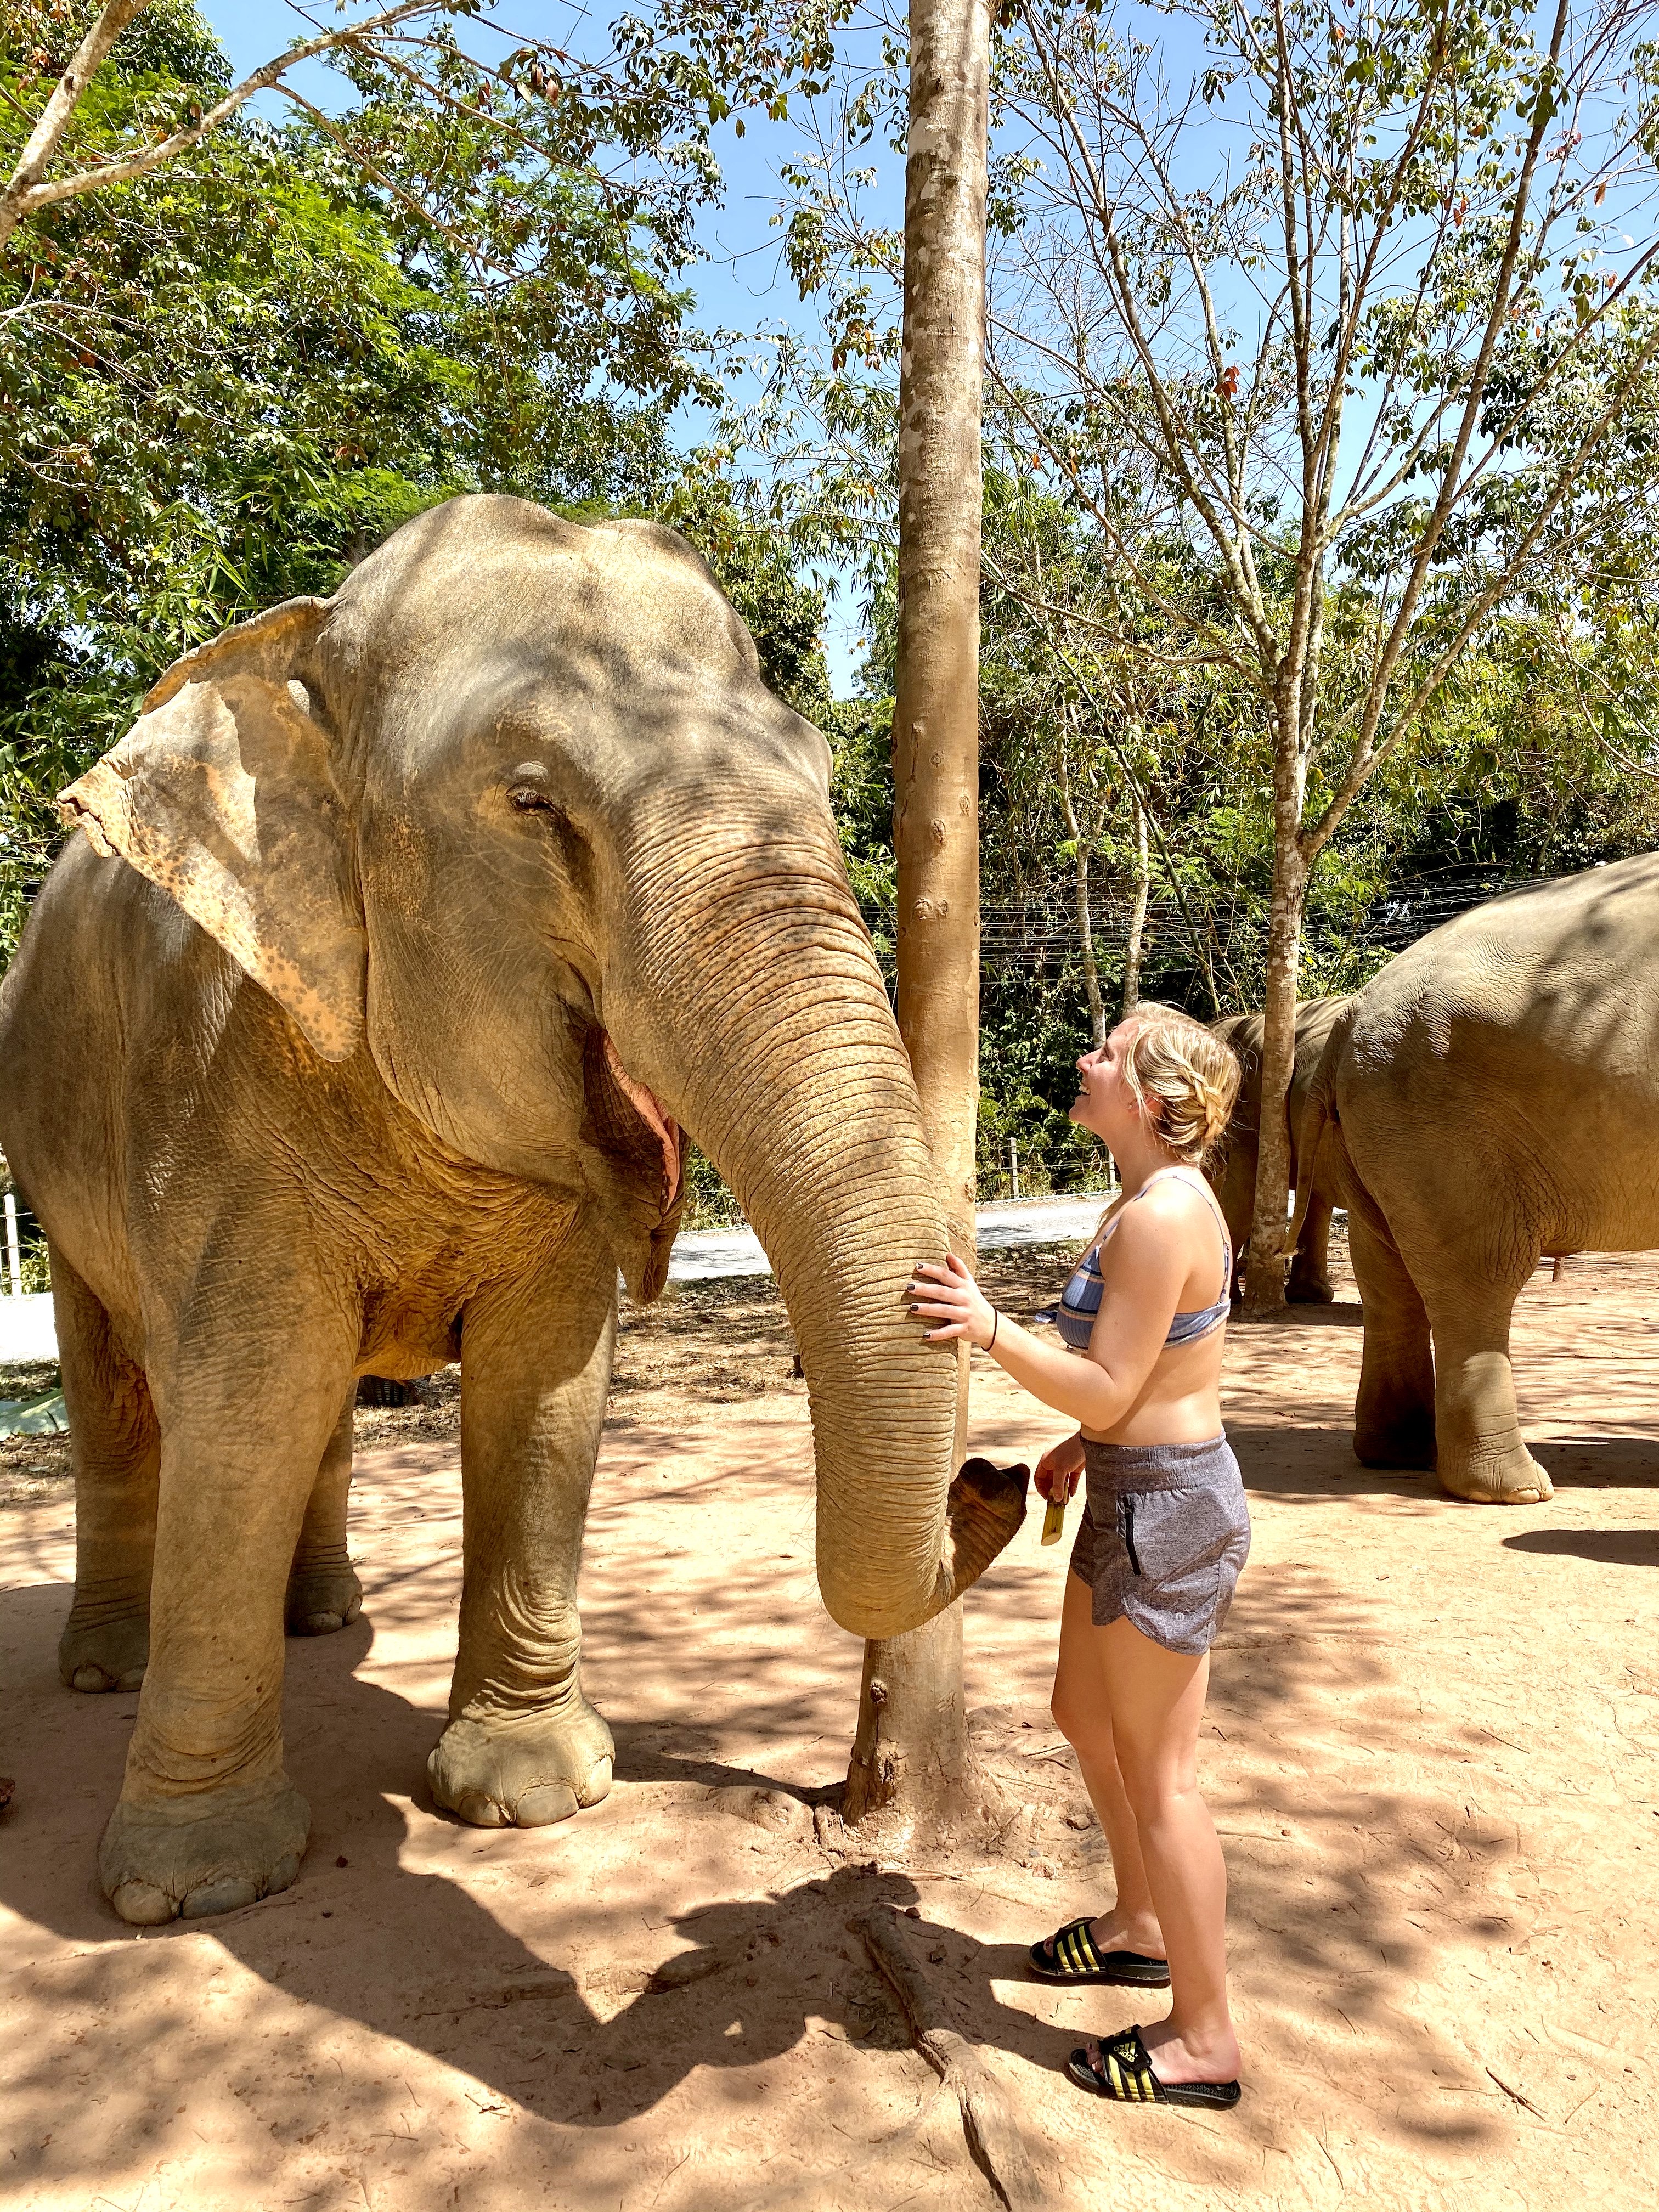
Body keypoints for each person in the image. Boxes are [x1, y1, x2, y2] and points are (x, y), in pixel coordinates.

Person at [907, 1003, 1248, 2112]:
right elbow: (1142, 1372)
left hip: (1170, 1511)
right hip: (1126, 1489)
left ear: (1151, 1101)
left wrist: (988, 1327)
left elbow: (1111, 1382)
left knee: (1165, 1781)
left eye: (1107, 1050)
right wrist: (1078, 1444)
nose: (1084, 1060)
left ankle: (1204, 2039)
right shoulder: (1144, 1201)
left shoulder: (1162, 1217)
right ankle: (1141, 1926)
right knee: (1082, 1717)